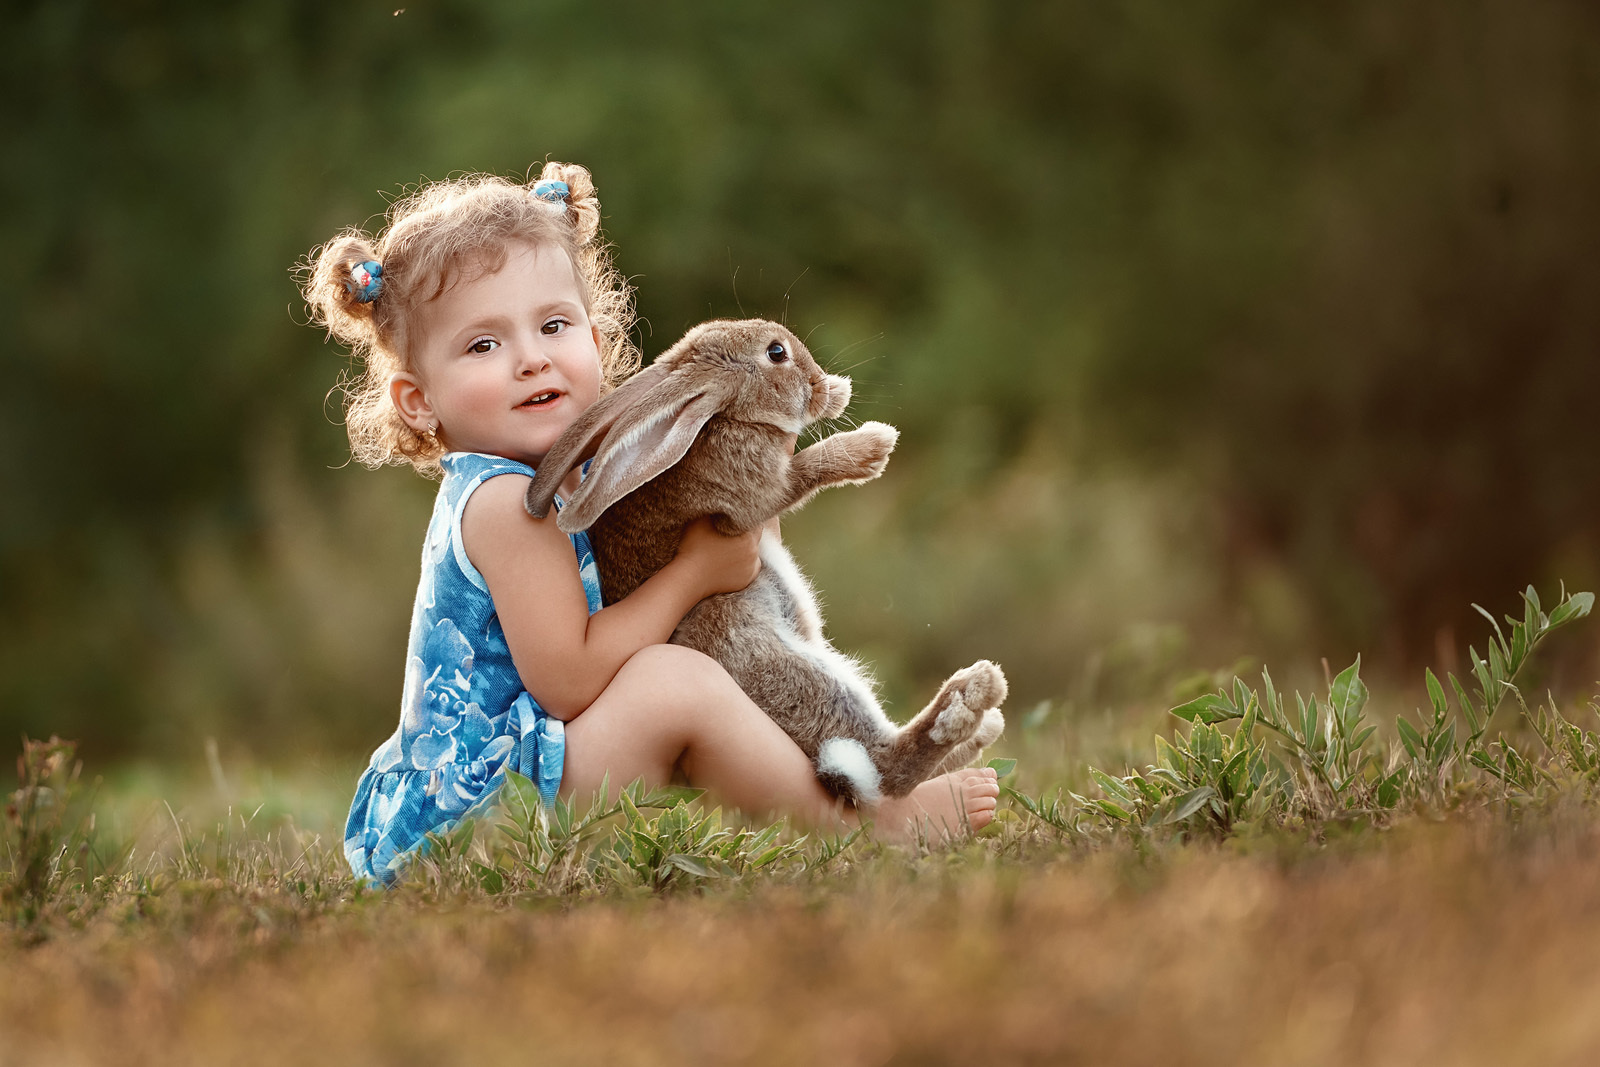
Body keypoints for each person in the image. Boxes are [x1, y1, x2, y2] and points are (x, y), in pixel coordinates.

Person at [301, 163, 999, 884]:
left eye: (553, 325)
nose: (531, 357)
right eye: (484, 345)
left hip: (531, 778)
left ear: (596, 345)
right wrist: (691, 573)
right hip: (478, 821)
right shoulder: (509, 505)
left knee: (716, 660)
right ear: (419, 402)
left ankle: (860, 766)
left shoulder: (576, 475)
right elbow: (569, 680)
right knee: (675, 682)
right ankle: (865, 827)